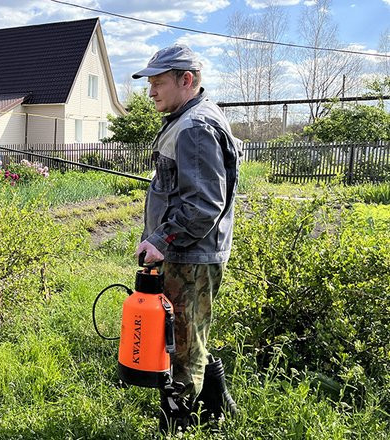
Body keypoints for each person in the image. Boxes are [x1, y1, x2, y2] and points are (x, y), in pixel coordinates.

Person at [131, 44, 240, 431]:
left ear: (186, 80)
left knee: (180, 345)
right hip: (188, 252)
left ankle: (179, 422)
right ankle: (218, 406)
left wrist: (161, 239)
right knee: (189, 334)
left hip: (191, 256)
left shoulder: (194, 127)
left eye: (158, 82)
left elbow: (203, 205)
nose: (151, 92)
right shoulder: (188, 119)